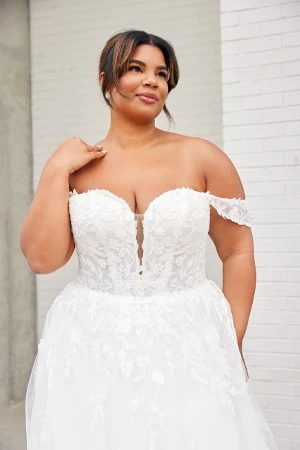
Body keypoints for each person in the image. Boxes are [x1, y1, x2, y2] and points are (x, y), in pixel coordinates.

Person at [20, 29, 278, 449]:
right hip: (91, 339)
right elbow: (42, 259)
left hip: (190, 336)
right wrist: (54, 170)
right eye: (135, 68)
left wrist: (231, 339)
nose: (152, 80)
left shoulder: (203, 157)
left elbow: (237, 250)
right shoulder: (75, 167)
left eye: (162, 73)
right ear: (105, 79)